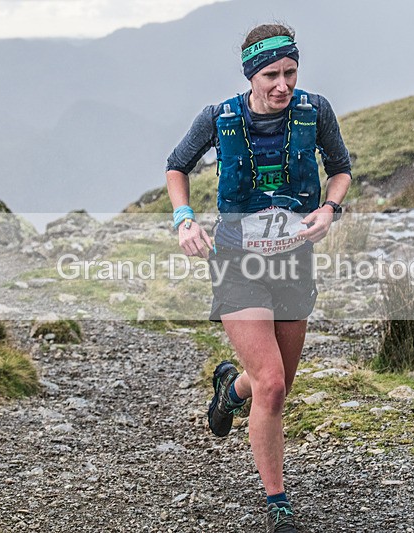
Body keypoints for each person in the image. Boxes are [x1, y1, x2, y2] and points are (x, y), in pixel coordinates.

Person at [165, 23, 351, 533]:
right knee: (271, 385)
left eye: (291, 72)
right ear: (251, 74)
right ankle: (278, 504)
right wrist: (184, 219)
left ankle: (229, 389)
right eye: (271, 74)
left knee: (278, 383)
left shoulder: (316, 112)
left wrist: (330, 208)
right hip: (236, 261)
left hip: (293, 261)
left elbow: (340, 168)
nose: (283, 85)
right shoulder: (220, 116)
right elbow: (177, 166)